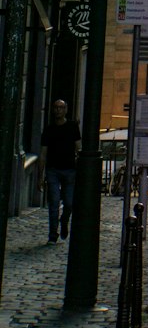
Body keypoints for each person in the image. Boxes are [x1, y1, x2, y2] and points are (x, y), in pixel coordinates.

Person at [39, 99, 80, 244]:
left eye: (61, 107)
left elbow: (78, 148)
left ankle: (64, 220)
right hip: (53, 170)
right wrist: (40, 175)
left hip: (69, 170)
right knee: (54, 203)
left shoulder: (72, 127)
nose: (58, 110)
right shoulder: (49, 130)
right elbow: (43, 153)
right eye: (56, 107)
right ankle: (52, 234)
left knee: (69, 203)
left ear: (66, 110)